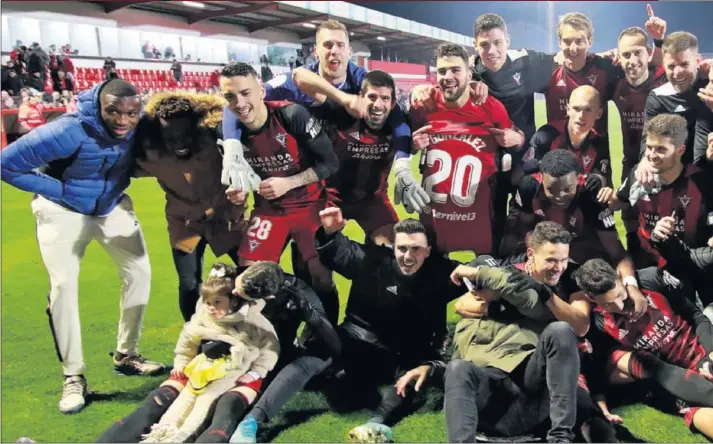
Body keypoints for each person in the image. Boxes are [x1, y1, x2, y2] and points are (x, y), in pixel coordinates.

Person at [232, 211, 472, 444]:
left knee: (414, 375)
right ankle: (251, 422)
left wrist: (476, 269)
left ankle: (376, 425)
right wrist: (329, 233)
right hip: (355, 338)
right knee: (311, 358)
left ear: (428, 251)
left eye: (416, 249)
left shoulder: (443, 272)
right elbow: (339, 251)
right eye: (402, 248)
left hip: (404, 353)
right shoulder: (372, 259)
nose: (408, 256)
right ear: (393, 247)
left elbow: (486, 273)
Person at [0, 79, 164, 414]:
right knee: (63, 287)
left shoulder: (140, 127)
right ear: (99, 106)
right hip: (62, 211)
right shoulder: (67, 130)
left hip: (110, 206)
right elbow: (6, 163)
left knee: (140, 274)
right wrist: (58, 191)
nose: (122, 120)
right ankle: (73, 375)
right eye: (113, 111)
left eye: (131, 113)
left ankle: (126, 355)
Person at [97, 261, 340, 444]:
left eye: (240, 297)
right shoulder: (233, 276)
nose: (234, 294)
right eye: (235, 288)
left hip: (258, 362)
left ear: (268, 298)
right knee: (165, 398)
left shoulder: (296, 298)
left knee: (224, 405)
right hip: (214, 359)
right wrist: (194, 354)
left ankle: (243, 423)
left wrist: (312, 318)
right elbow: (199, 320)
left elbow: (331, 344)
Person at [397, 222, 584, 443]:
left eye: (563, 260)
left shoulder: (550, 292)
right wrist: (433, 368)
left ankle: (560, 439)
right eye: (552, 260)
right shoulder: (478, 304)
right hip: (489, 397)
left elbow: (537, 303)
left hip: (527, 391)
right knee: (459, 367)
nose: (559, 267)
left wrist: (480, 273)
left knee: (560, 330)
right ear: (531, 255)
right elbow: (464, 314)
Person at [219, 62, 340, 323]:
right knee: (248, 276)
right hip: (269, 210)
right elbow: (240, 178)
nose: (239, 103)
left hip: (310, 205)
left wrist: (289, 182)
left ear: (261, 90)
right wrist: (238, 194)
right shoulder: (228, 135)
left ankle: (326, 337)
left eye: (246, 93)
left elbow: (330, 163)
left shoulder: (292, 115)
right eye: (230, 96)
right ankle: (270, 337)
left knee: (319, 274)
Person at [133, 92, 247, 321]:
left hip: (226, 219)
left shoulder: (215, 139)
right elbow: (119, 167)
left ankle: (256, 327)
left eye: (185, 134)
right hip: (184, 224)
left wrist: (242, 189)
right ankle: (193, 334)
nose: (180, 142)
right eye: (171, 136)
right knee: (188, 283)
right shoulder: (150, 153)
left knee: (249, 276)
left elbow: (250, 158)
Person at [573, 259, 713, 439]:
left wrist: (711, 352)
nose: (620, 307)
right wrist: (602, 409)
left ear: (619, 278)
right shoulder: (599, 325)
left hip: (702, 351)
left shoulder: (651, 279)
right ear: (591, 298)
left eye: (618, 296)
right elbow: (595, 373)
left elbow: (696, 316)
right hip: (676, 382)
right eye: (608, 304)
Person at [140, 262, 279, 443]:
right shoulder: (203, 317)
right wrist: (180, 364)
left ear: (233, 300)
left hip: (230, 373)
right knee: (185, 398)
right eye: (208, 303)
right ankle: (162, 432)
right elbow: (186, 342)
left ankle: (184, 436)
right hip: (203, 369)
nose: (212, 307)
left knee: (205, 401)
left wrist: (255, 372)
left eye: (217, 302)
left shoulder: (253, 321)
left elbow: (271, 349)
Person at [407, 42, 521, 255]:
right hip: (433, 224)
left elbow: (515, 138)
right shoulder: (424, 106)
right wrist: (412, 146)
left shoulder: (491, 107)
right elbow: (404, 145)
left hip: (480, 226)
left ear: (470, 74)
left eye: (455, 70)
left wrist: (516, 138)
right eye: (442, 71)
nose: (447, 76)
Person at [290, 69, 401, 245]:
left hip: (373, 201)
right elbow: (299, 76)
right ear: (360, 97)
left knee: (394, 251)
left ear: (393, 103)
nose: (378, 104)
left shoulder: (399, 125)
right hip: (330, 198)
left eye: (385, 98)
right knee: (311, 256)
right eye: (372, 97)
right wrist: (343, 98)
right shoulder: (343, 112)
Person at [502, 149, 639, 290]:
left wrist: (631, 286)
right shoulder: (529, 187)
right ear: (542, 178)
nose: (559, 196)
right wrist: (537, 255)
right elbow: (525, 227)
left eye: (567, 189)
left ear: (578, 178)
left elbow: (617, 252)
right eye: (551, 189)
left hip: (582, 252)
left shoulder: (591, 196)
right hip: (546, 249)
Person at [610, 114, 713, 280]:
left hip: (691, 267)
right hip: (647, 266)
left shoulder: (701, 180)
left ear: (680, 150)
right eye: (649, 147)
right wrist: (603, 194)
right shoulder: (639, 175)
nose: (651, 155)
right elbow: (617, 203)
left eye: (661, 149)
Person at [546, 8, 665, 137]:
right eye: (567, 41)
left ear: (590, 41)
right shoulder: (547, 68)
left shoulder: (605, 67)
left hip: (596, 152)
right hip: (557, 150)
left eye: (579, 41)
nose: (573, 48)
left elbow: (646, 65)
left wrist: (658, 42)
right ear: (559, 42)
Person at [636, 31, 713, 170]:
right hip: (675, 174)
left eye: (684, 64)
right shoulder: (658, 97)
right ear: (664, 65)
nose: (677, 72)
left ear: (697, 62)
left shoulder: (709, 85)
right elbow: (648, 137)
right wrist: (644, 161)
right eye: (671, 66)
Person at [528, 85, 612, 187]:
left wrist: (598, 180)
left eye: (588, 109)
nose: (581, 116)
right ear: (568, 109)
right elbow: (527, 174)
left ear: (599, 113)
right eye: (576, 109)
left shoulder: (599, 143)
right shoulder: (547, 135)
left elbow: (601, 175)